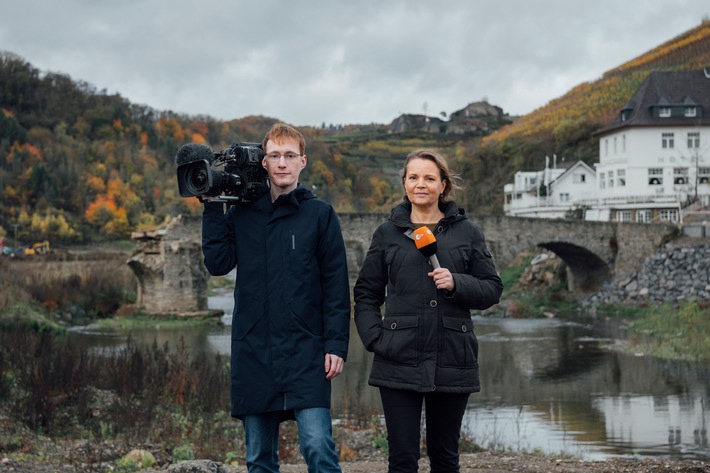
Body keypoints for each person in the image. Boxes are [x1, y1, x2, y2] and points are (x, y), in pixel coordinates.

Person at [201, 123, 350, 473]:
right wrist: (211, 206)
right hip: (255, 350)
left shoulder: (320, 215)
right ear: (264, 163)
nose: (281, 163)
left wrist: (337, 346)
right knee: (259, 459)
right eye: (274, 156)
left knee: (317, 446)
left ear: (302, 161)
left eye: (289, 156)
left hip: (307, 350)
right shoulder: (242, 213)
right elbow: (218, 264)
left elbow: (336, 286)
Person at [354, 149, 503, 473]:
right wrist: (375, 339)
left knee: (445, 458)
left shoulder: (467, 232)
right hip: (397, 358)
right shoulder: (387, 233)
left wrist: (457, 283)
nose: (420, 184)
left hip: (453, 357)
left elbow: (492, 288)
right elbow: (366, 293)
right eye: (413, 177)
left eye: (429, 178)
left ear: (443, 184)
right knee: (402, 459)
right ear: (405, 183)